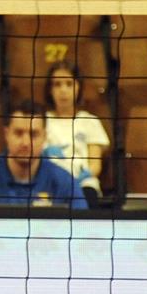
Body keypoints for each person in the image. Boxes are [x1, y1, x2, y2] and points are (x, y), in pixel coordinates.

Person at [0, 100, 88, 209]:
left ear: (45, 137)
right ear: (6, 134)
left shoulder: (65, 182)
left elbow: (82, 230)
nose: (25, 143)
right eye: (18, 133)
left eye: (33, 134)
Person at [40, 62, 109, 207]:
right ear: (49, 90)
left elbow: (95, 164)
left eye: (69, 84)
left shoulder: (90, 121)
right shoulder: (41, 121)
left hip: (83, 184)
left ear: (78, 87)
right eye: (57, 84)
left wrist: (77, 179)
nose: (63, 90)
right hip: (49, 184)